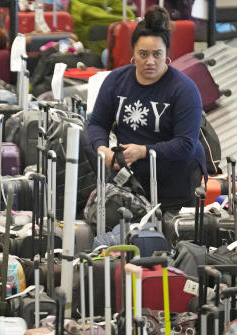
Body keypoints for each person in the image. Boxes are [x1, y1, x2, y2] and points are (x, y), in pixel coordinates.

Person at [86, 6, 205, 212]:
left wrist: (143, 151)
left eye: (157, 54)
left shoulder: (184, 90)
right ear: (133, 53)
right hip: (129, 181)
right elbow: (97, 122)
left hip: (176, 185)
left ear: (167, 53)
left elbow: (185, 143)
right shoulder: (116, 81)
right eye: (143, 54)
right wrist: (102, 148)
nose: (150, 61)